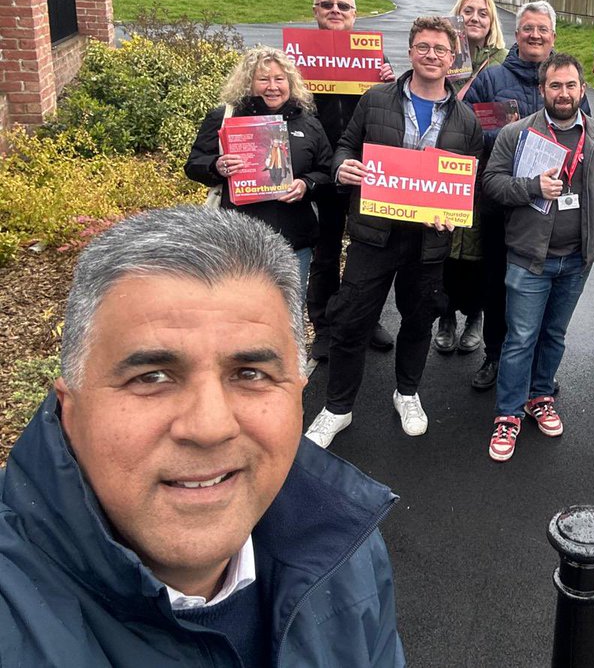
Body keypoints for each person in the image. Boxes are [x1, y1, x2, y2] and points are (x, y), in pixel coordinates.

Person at [0, 206, 404, 665]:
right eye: (152, 377)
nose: (210, 427)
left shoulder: (347, 550)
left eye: (250, 372)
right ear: (69, 406)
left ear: (298, 394)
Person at [304, 17, 483, 449]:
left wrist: (453, 213)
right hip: (373, 232)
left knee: (419, 319)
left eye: (440, 49)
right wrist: (342, 166)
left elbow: (469, 184)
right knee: (351, 320)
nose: (431, 56)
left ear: (453, 56)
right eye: (423, 47)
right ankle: (337, 408)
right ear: (410, 50)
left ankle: (407, 393)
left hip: (427, 241)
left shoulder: (466, 120)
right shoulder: (376, 99)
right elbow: (345, 145)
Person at [481, 53, 594, 462]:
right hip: (529, 257)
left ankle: (541, 395)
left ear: (582, 89)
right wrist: (532, 187)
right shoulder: (517, 134)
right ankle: (507, 414)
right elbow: (492, 184)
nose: (563, 93)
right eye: (555, 86)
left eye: (570, 85)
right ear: (542, 90)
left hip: (577, 259)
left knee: (554, 335)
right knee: (520, 338)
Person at [462, 1, 591, 392]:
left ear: (553, 36)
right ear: (516, 35)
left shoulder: (565, 81)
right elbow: (466, 129)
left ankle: (536, 370)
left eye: (543, 29)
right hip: (502, 203)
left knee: (544, 291)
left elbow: (581, 135)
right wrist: (508, 138)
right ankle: (496, 354)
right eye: (528, 29)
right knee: (498, 283)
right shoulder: (492, 77)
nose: (535, 35)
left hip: (551, 209)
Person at [185, 47, 331, 308]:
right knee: (238, 313)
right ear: (248, 82)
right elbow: (194, 164)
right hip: (238, 241)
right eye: (263, 79)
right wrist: (216, 165)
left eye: (279, 79)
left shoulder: (308, 123)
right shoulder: (224, 117)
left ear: (290, 83)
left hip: (293, 240)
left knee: (287, 315)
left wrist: (306, 184)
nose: (272, 87)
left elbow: (326, 170)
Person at [306, 0, 396, 373]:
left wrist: (390, 81)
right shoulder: (299, 57)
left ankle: (366, 318)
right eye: (327, 5)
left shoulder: (373, 56)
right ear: (315, 11)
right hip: (321, 171)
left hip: (366, 172)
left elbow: (392, 108)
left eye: (344, 5)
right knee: (325, 252)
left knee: (367, 253)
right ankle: (324, 325)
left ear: (355, 15)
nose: (336, 10)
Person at [435, 0, 506, 357]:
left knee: (479, 247)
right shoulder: (443, 56)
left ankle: (474, 317)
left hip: (485, 169)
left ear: (492, 21)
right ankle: (445, 316)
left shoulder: (502, 63)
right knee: (445, 243)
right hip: (444, 165)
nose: (475, 18)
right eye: (468, 11)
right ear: (457, 16)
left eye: (483, 12)